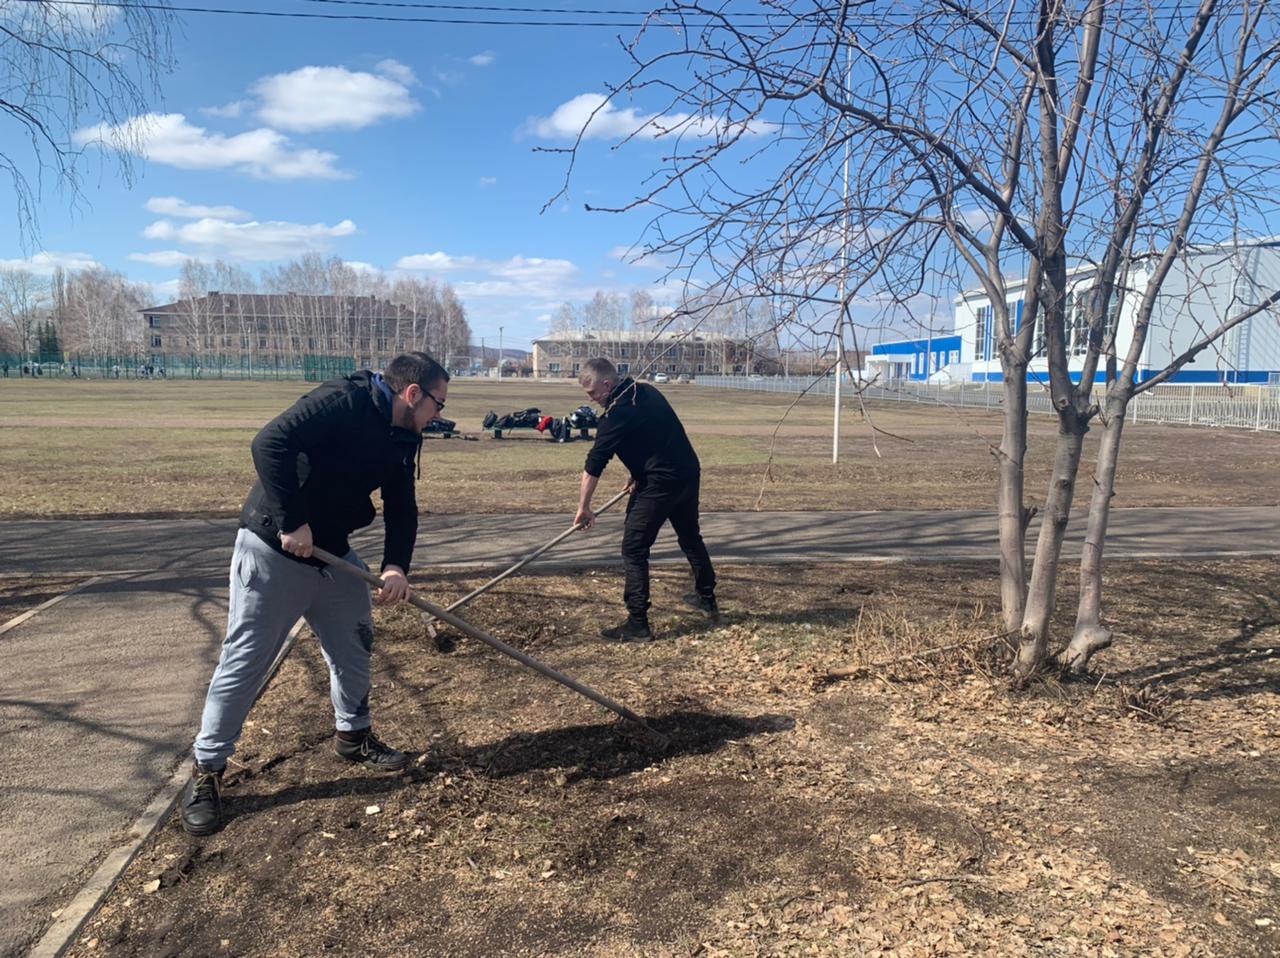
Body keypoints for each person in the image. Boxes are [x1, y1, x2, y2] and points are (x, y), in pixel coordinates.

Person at [182, 351, 450, 836]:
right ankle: (207, 770)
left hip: (333, 555)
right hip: (274, 549)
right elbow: (270, 443)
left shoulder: (403, 434)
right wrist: (292, 521)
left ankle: (354, 736)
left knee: (355, 645)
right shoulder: (343, 400)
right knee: (244, 661)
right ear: (413, 394)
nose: (439, 415)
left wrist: (395, 566)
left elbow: (402, 506)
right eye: (438, 404)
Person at [573, 357, 718, 642]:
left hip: (661, 483)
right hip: (687, 473)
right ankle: (706, 597)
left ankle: (637, 623)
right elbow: (652, 437)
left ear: (607, 384)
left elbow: (594, 464)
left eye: (593, 393)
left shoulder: (616, 415)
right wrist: (637, 472)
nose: (592, 399)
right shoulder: (646, 391)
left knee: (634, 549)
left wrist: (583, 508)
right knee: (690, 536)